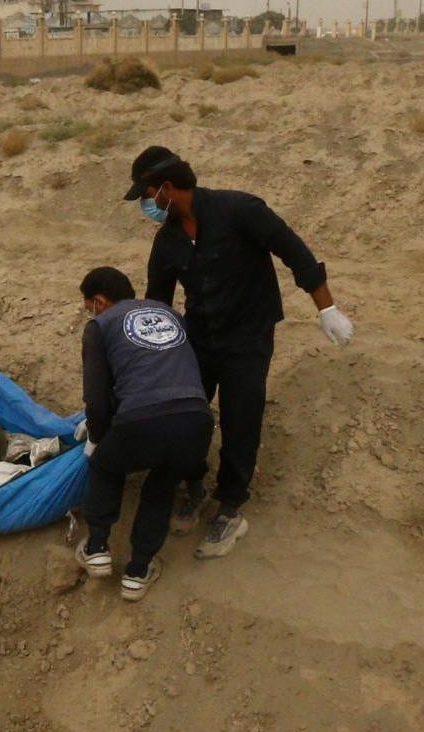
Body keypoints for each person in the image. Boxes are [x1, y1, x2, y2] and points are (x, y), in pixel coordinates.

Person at [126, 145, 353, 558]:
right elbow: (157, 303)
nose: (146, 205)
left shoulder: (238, 210)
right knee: (185, 416)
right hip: (198, 337)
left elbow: (294, 250)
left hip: (248, 337)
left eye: (147, 195)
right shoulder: (167, 242)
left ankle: (230, 507)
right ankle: (193, 484)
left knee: (241, 418)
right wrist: (150, 359)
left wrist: (327, 308)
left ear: (168, 188)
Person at [75, 266, 213, 601]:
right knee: (161, 485)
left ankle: (96, 548)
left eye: (87, 306)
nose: (88, 312)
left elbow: (96, 395)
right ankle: (137, 572)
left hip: (143, 418)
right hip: (197, 419)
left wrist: (96, 437)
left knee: (106, 465)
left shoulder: (100, 326)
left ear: (99, 301)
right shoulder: (169, 313)